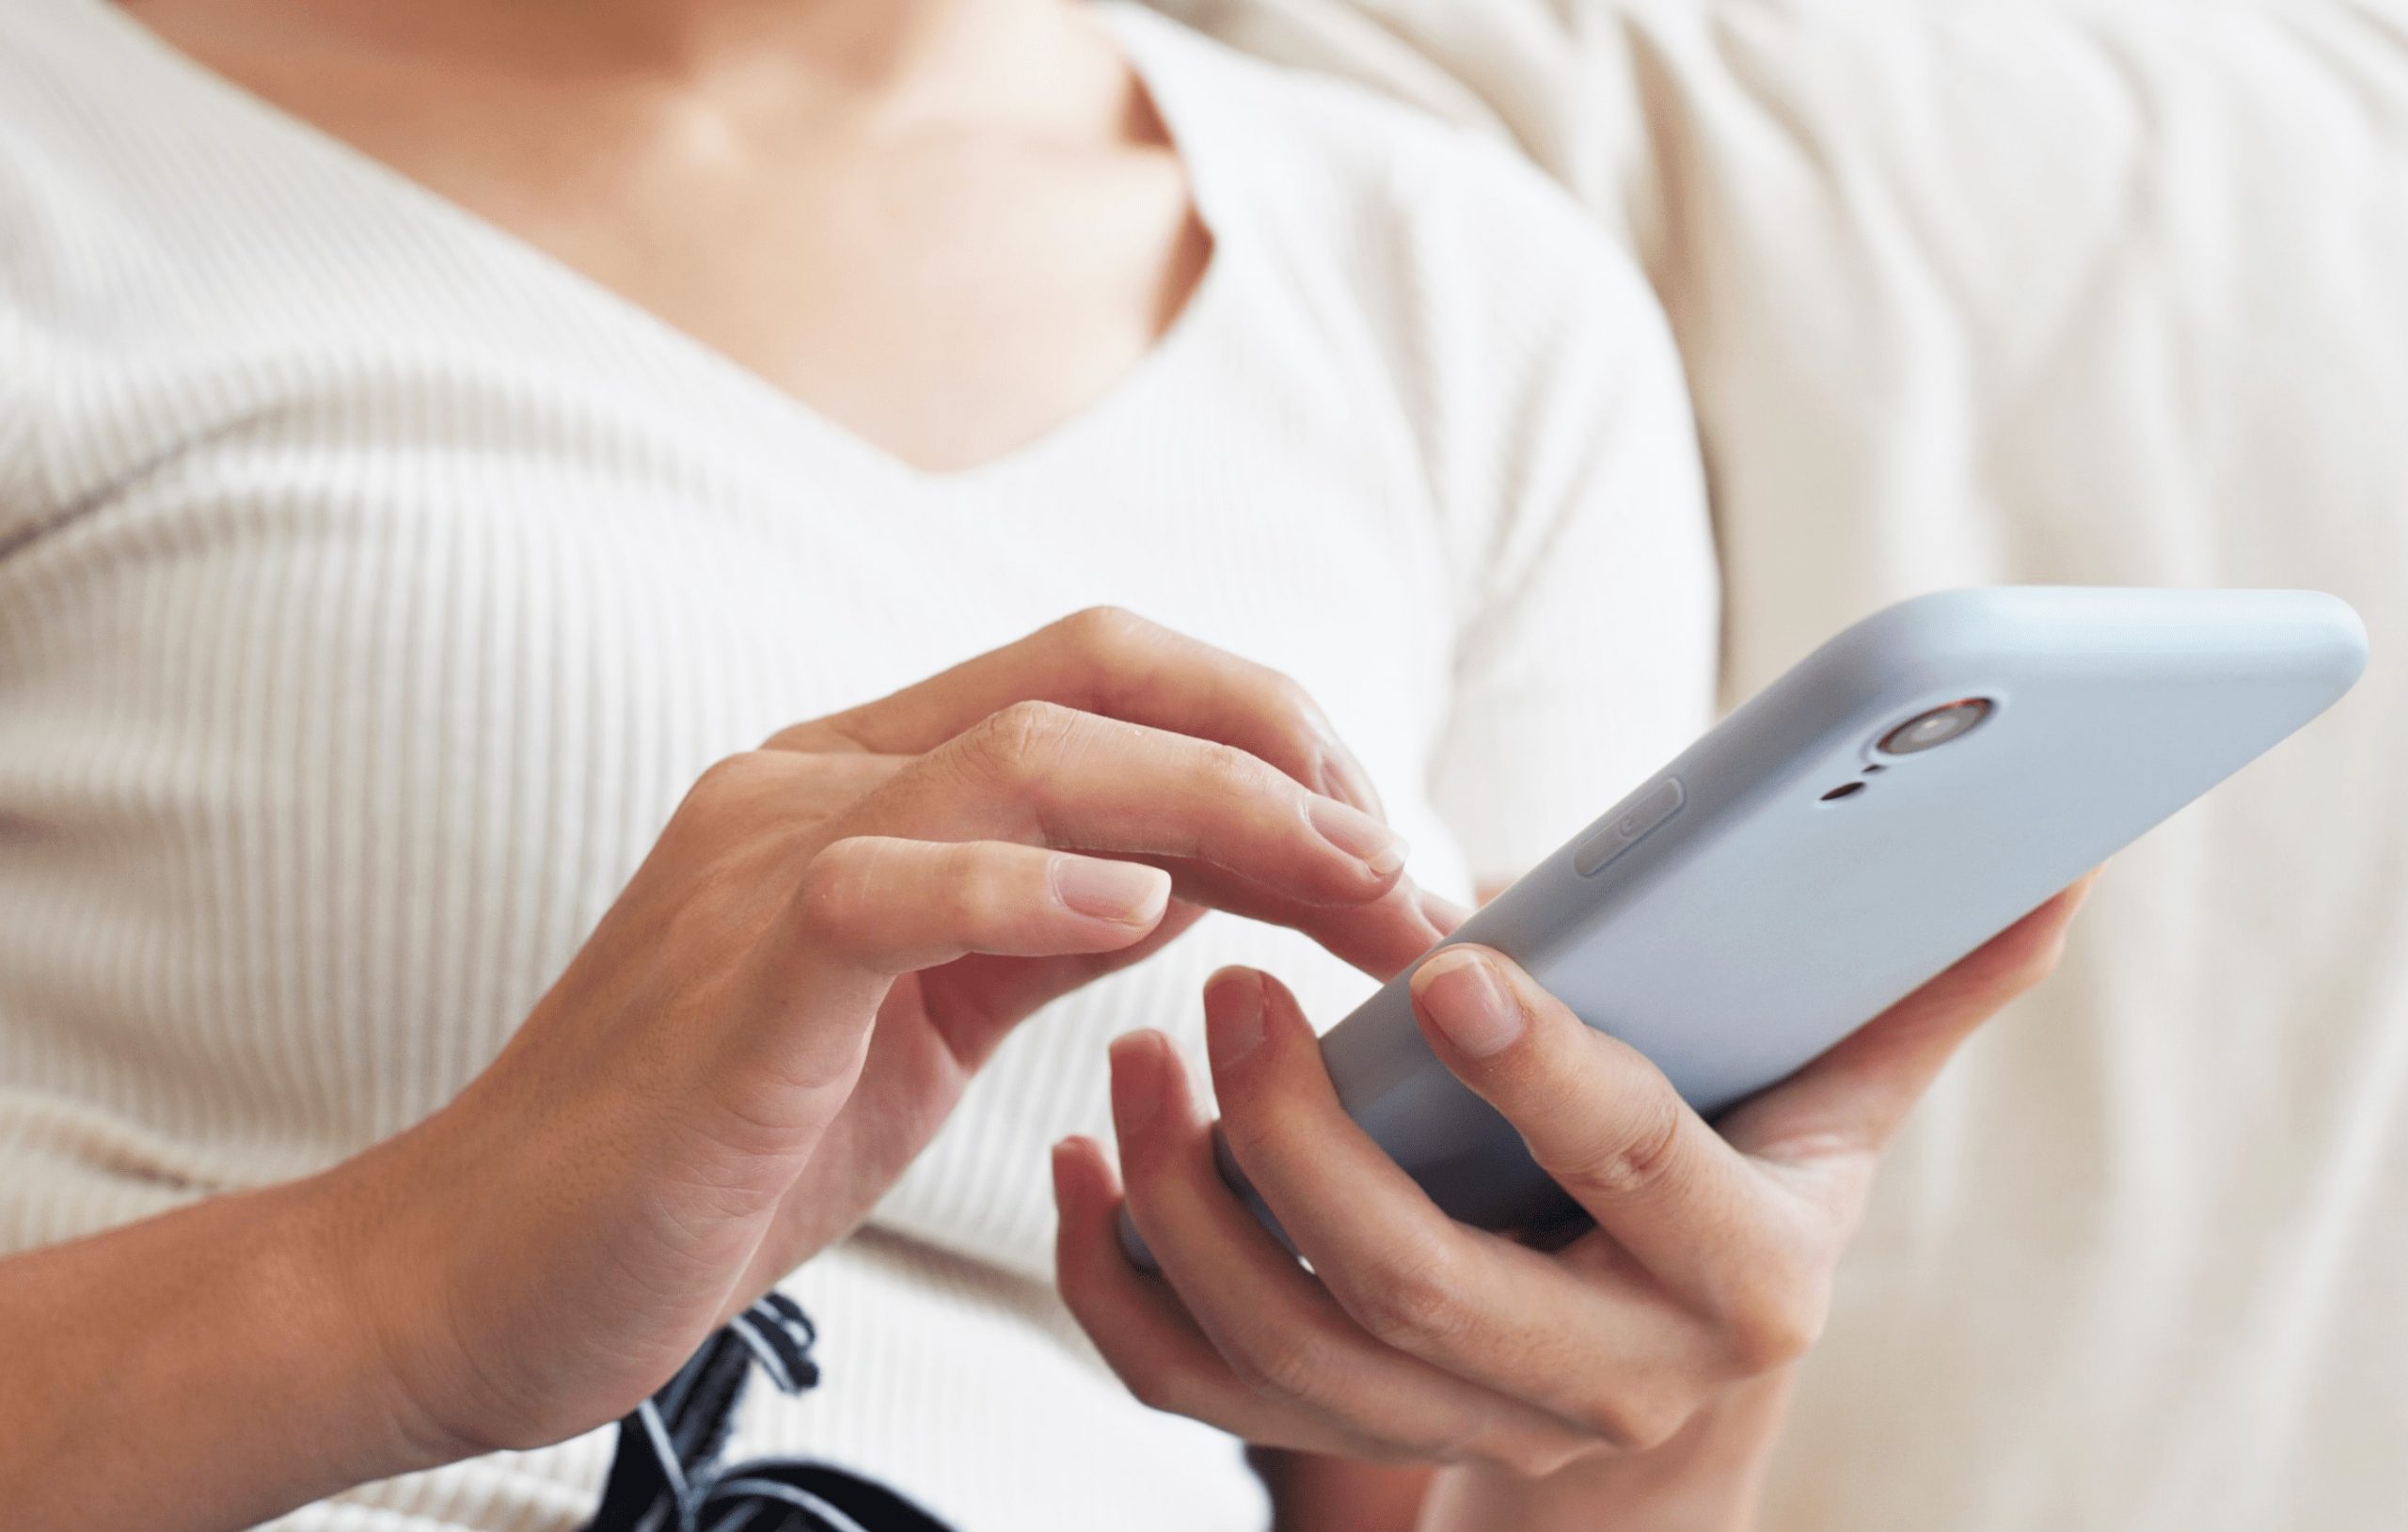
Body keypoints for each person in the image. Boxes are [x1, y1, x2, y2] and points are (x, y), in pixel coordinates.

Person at [0, 0, 2089, 1528]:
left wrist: (1661, 1414)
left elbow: (1421, 1486)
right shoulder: (64, 152)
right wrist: (396, 1292)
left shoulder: (1465, 303)